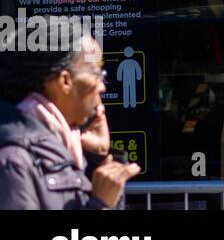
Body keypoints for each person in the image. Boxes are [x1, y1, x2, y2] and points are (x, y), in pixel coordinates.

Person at [0, 19, 140, 209]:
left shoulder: (67, 149)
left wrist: (97, 158)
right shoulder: (13, 160)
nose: (102, 86)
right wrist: (100, 204)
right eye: (96, 72)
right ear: (65, 81)